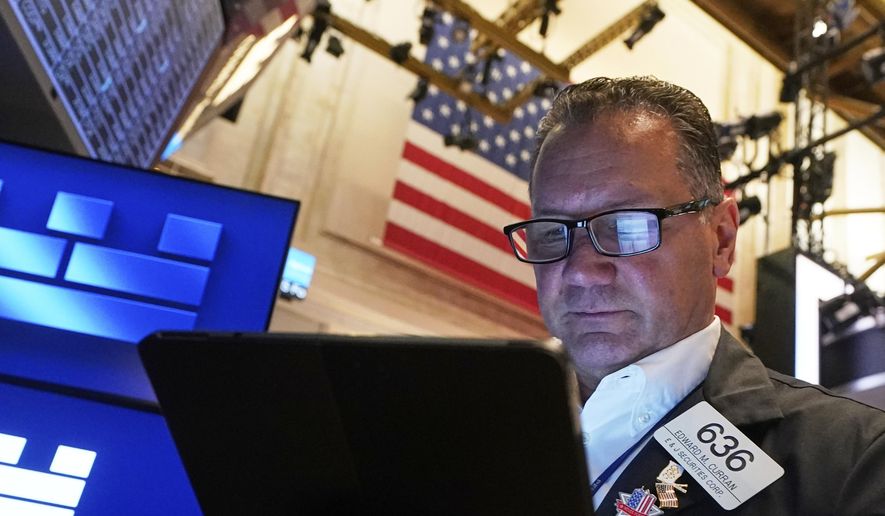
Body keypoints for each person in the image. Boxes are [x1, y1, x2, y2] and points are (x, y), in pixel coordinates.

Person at [503, 76, 885, 515]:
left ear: (721, 239)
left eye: (628, 225)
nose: (583, 272)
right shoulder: (466, 430)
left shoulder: (856, 462)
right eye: (554, 232)